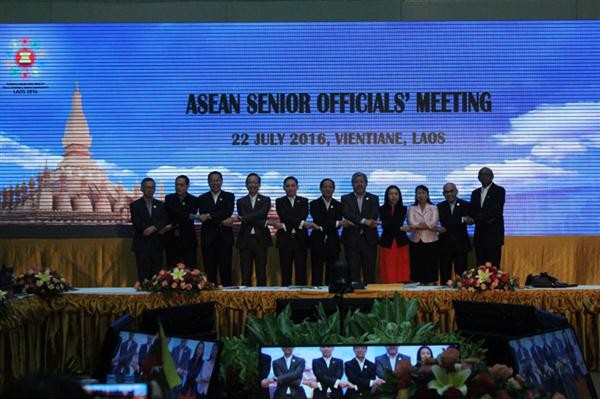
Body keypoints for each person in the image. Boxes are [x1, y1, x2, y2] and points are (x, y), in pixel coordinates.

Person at [274, 176, 316, 286]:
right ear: (284, 188)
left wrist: (284, 226)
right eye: (287, 186)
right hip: (284, 241)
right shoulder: (279, 201)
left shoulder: (304, 201)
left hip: (300, 240)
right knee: (285, 271)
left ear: (297, 187)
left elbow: (302, 216)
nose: (290, 188)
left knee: (301, 272)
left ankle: (301, 299)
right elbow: (284, 216)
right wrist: (302, 224)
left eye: (293, 185)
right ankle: (285, 299)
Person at [197, 171, 235, 286]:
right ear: (208, 182)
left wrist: (209, 216)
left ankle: (227, 301)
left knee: (226, 273)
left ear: (222, 181)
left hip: (225, 240)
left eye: (217, 180)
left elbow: (227, 211)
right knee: (210, 273)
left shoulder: (229, 196)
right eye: (212, 180)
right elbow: (206, 214)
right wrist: (222, 220)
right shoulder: (202, 198)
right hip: (208, 240)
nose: (215, 183)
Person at [235, 173, 273, 286]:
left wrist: (244, 218)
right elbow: (255, 217)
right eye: (250, 182)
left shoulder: (266, 200)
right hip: (245, 241)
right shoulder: (240, 201)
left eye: (255, 182)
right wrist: (264, 222)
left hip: (261, 240)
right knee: (245, 274)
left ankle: (263, 301)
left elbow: (261, 214)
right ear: (246, 185)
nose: (253, 185)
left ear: (259, 184)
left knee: (261, 274)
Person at [309, 178, 349, 286]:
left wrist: (327, 226)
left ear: (334, 189)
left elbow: (324, 223)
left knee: (332, 274)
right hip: (317, 242)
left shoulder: (339, 205)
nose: (327, 189)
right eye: (325, 187)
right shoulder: (313, 204)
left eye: (330, 187)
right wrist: (337, 223)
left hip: (333, 243)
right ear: (321, 189)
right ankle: (316, 299)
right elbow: (318, 219)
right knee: (316, 273)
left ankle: (330, 300)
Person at [341, 172, 379, 283]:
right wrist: (364, 221)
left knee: (370, 273)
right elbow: (347, 214)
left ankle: (371, 299)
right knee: (353, 273)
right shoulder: (345, 198)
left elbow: (374, 215)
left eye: (361, 182)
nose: (359, 184)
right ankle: (353, 299)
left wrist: (360, 221)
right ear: (352, 184)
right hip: (351, 240)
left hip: (369, 240)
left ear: (366, 184)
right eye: (356, 182)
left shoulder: (374, 198)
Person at [130, 177, 169, 282]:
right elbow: (136, 222)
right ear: (141, 189)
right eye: (147, 187)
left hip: (157, 244)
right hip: (142, 245)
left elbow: (164, 219)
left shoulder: (161, 205)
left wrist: (154, 228)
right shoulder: (135, 205)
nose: (150, 190)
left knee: (157, 275)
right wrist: (147, 228)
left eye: (152, 187)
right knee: (143, 275)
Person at [437, 183, 474, 283]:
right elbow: (445, 220)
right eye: (446, 192)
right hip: (444, 245)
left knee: (462, 277)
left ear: (456, 191)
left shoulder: (466, 204)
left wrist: (451, 223)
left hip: (461, 245)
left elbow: (471, 221)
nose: (449, 194)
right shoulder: (439, 206)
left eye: (451, 191)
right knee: (445, 276)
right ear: (443, 194)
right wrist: (462, 219)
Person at [470, 167, 505, 267]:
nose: (484, 176)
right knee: (480, 266)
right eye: (482, 174)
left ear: (492, 176)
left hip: (494, 236)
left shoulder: (499, 190)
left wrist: (476, 218)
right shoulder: (475, 193)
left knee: (494, 267)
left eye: (487, 174)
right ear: (478, 178)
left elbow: (496, 211)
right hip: (480, 236)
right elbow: (472, 211)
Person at [407, 185, 440, 285]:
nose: (421, 195)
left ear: (427, 194)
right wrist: (426, 225)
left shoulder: (434, 207)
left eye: (423, 193)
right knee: (417, 265)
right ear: (416, 195)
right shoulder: (411, 208)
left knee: (430, 264)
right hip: (415, 241)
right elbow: (411, 223)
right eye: (419, 193)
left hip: (431, 241)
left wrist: (419, 225)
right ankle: (418, 285)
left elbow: (434, 222)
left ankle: (430, 285)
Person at [164, 175, 199, 268]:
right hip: (172, 240)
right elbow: (173, 213)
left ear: (187, 186)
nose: (178, 187)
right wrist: (191, 216)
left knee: (190, 270)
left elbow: (183, 216)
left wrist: (190, 216)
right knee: (172, 271)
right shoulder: (169, 198)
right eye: (176, 185)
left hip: (188, 240)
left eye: (181, 185)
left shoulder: (194, 200)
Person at [378, 185, 411, 283]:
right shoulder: (382, 209)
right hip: (386, 242)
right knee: (388, 268)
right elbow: (385, 226)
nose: (393, 196)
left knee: (401, 268)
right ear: (387, 196)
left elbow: (391, 223)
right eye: (391, 194)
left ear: (399, 196)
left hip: (401, 242)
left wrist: (387, 224)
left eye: (396, 194)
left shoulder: (404, 209)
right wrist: (400, 228)